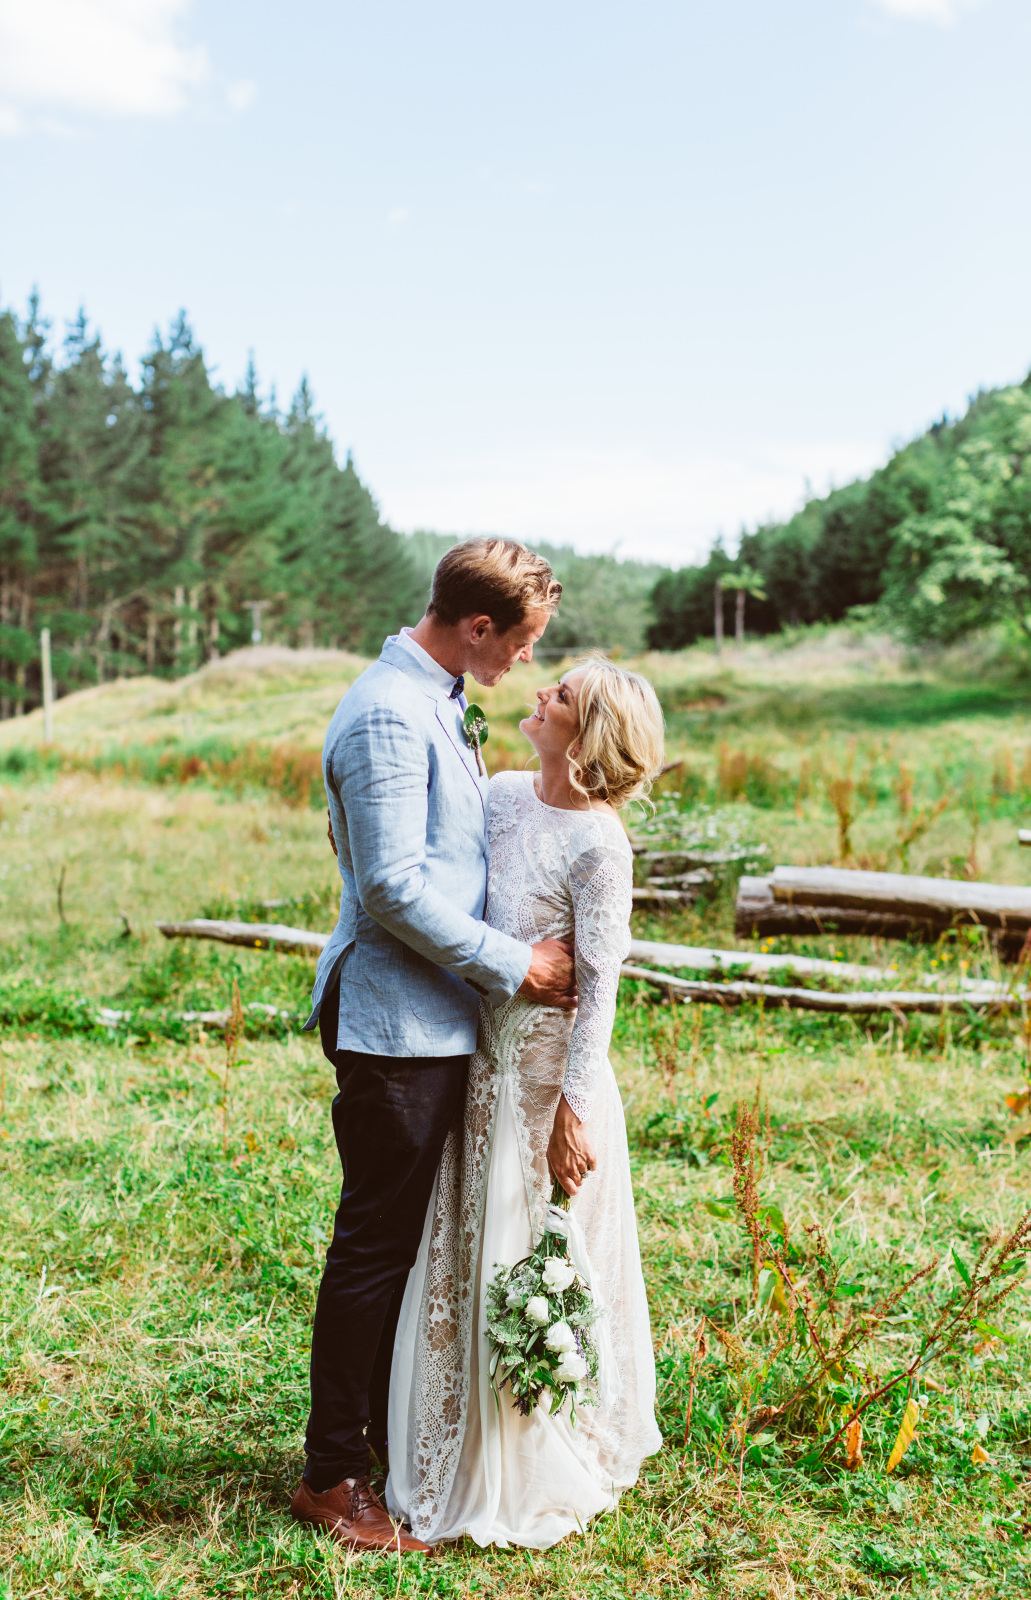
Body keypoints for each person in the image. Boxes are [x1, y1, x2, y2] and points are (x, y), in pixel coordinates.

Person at [291, 539, 578, 1554]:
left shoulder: (438, 697)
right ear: (477, 625)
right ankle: (333, 1475)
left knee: (407, 1244)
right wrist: (516, 964)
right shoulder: (385, 712)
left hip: (435, 1017)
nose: (524, 662)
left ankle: (387, 1442)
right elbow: (389, 886)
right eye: (520, 641)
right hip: (394, 1023)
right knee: (375, 1245)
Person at [387, 656, 664, 1548]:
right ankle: (451, 1431)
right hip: (478, 1063)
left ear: (589, 735)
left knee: (533, 1251)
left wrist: (573, 1112)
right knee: (466, 1239)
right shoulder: (502, 794)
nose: (540, 693)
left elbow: (600, 988)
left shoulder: (601, 846)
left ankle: (533, 1441)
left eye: (562, 695)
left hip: (549, 1081)